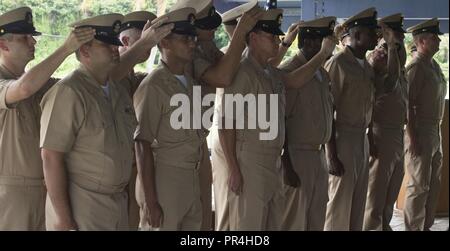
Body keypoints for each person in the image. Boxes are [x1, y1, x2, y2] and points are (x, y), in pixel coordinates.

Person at [40, 13, 172, 231]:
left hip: (117, 202)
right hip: (83, 204)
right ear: (85, 51)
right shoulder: (69, 91)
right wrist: (63, 219)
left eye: (115, 43)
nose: (115, 49)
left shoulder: (117, 89)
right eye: (107, 44)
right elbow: (50, 157)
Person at [219, 7, 336, 230]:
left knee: (271, 224)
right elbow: (226, 124)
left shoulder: (269, 72)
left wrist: (321, 56)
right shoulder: (243, 72)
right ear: (253, 38)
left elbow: (294, 80)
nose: (277, 40)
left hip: (271, 160)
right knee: (248, 226)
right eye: (271, 36)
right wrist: (233, 168)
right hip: (250, 161)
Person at [0, 6, 94, 230]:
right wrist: (65, 49)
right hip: (11, 194)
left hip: (46, 188)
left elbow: (84, 88)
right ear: (3, 45)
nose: (33, 42)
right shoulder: (20, 84)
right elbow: (22, 90)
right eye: (25, 38)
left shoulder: (37, 82)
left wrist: (143, 46)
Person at [134, 7, 208, 231]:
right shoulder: (154, 85)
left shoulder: (189, 82)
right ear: (165, 42)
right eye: (186, 38)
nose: (193, 43)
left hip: (190, 177)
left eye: (193, 37)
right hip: (164, 177)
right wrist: (151, 200)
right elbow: (141, 143)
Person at [280, 16, 337, 231]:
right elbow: (281, 121)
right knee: (293, 221)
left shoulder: (321, 72)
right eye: (326, 41)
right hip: (296, 156)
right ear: (311, 42)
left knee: (316, 220)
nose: (331, 47)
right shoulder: (289, 71)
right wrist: (287, 166)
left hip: (317, 155)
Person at [324, 7, 378, 231]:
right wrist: (331, 154)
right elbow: (328, 111)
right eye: (371, 33)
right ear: (356, 35)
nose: (376, 38)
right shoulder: (338, 63)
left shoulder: (366, 66)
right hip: (342, 138)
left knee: (358, 201)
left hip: (361, 139)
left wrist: (371, 141)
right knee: (340, 203)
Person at [363, 13, 408, 231]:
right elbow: (386, 85)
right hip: (381, 133)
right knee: (376, 193)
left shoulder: (399, 57)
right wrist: (389, 48)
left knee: (391, 191)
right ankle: (372, 227)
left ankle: (384, 226)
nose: (400, 39)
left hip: (398, 133)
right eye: (396, 34)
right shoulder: (379, 56)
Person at [404, 18, 446, 231]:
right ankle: (413, 227)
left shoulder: (434, 66)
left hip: (434, 129)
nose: (438, 40)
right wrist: (412, 137)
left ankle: (425, 226)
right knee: (419, 185)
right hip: (420, 129)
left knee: (433, 184)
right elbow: (408, 105)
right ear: (420, 41)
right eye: (433, 37)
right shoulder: (415, 67)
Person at [119, 10, 157, 231]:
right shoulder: (107, 77)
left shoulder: (136, 78)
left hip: (133, 170)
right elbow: (111, 74)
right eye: (145, 37)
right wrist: (144, 44)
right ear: (125, 40)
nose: (151, 44)